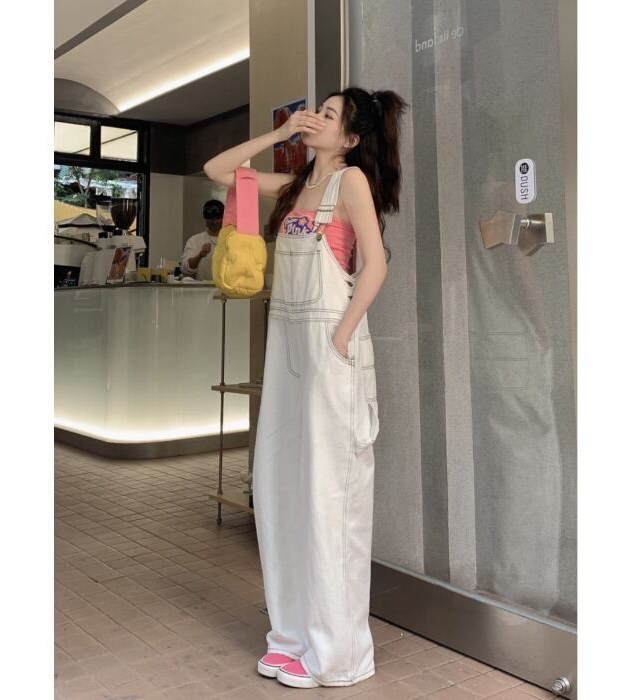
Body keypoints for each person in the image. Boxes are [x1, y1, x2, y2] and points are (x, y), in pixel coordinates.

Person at [203, 86, 407, 689]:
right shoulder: (294, 187)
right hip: (288, 350)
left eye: (329, 114)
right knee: (281, 488)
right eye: (318, 109)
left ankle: (338, 654)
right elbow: (218, 171)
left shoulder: (351, 182)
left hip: (328, 348)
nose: (317, 117)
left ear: (350, 138)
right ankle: (292, 636)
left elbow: (375, 263)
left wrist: (341, 337)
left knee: (328, 497)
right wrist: (278, 133)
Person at [180, 199, 225, 280]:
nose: (214, 222)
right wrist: (200, 255)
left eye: (217, 218)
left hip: (227, 287)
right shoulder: (194, 241)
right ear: (205, 219)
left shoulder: (232, 240)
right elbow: (186, 268)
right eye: (211, 219)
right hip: (202, 287)